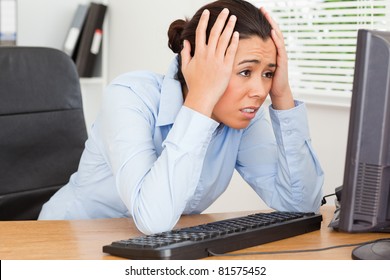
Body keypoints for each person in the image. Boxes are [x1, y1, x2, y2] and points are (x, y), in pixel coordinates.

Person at [39, 0, 324, 234]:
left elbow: (301, 205)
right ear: (200, 64)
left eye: (268, 74)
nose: (260, 91)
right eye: (245, 72)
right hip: (66, 240)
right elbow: (153, 219)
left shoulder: (242, 116)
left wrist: (283, 97)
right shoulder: (130, 96)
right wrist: (201, 99)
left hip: (149, 249)